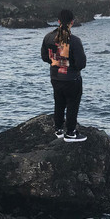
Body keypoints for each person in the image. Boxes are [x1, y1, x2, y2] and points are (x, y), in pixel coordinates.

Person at [41, 8, 87, 142]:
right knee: (72, 104)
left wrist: (57, 62)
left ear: (58, 21)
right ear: (72, 22)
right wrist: (69, 65)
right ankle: (71, 133)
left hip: (55, 77)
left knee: (59, 102)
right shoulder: (74, 40)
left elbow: (45, 57)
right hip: (71, 78)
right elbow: (81, 64)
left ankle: (59, 129)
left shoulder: (48, 37)